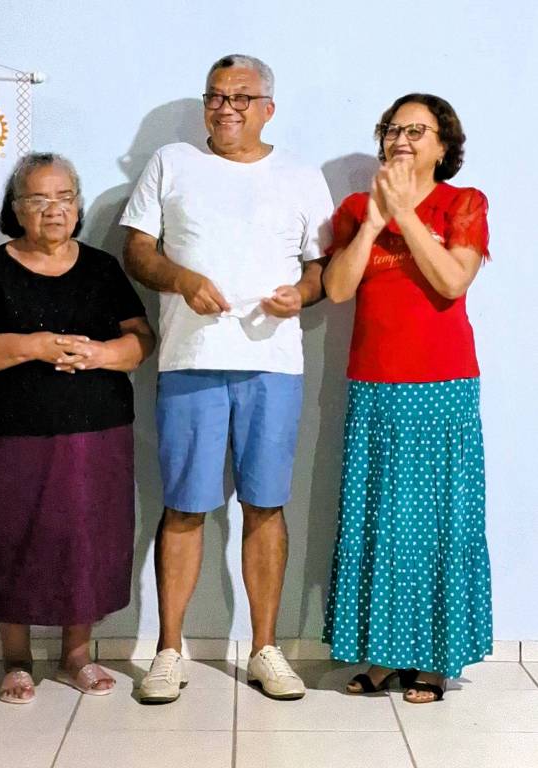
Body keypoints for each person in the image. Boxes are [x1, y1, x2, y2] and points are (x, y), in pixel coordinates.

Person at [121, 54, 333, 703]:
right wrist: (181, 279)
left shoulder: (301, 176)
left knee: (265, 505)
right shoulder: (171, 162)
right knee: (184, 506)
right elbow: (137, 249)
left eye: (241, 97)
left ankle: (265, 649)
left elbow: (320, 268)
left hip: (273, 365)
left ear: (268, 107)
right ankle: (168, 651)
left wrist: (302, 293)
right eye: (216, 96)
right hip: (190, 359)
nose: (226, 107)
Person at [0, 152, 155, 704]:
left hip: (98, 430)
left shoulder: (101, 268)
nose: (54, 209)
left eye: (64, 198)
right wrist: (32, 345)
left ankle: (77, 655)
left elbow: (141, 339)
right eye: (39, 199)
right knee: (15, 536)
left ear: (78, 206)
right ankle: (16, 660)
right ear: (16, 209)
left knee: (87, 538)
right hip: (16, 431)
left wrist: (102, 354)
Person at [322, 94, 492, 703]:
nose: (401, 139)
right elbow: (337, 290)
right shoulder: (353, 208)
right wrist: (374, 221)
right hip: (374, 384)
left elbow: (452, 280)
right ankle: (384, 654)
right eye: (394, 129)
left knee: (437, 523)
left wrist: (405, 214)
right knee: (380, 522)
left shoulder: (463, 203)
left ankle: (433, 660)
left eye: (417, 131)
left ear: (443, 145)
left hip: (442, 385)